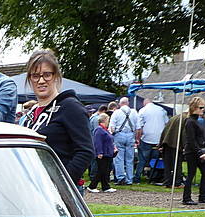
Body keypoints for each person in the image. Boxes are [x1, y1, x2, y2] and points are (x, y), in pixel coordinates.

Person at [17, 49, 93, 188]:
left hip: (59, 191)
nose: (41, 81)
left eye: (47, 75)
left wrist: (61, 183)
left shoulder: (70, 107)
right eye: (35, 76)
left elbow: (85, 151)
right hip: (33, 187)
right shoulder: (31, 113)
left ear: (56, 76)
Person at [182, 96, 205, 205]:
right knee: (191, 174)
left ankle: (203, 196)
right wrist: (199, 152)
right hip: (192, 152)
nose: (203, 110)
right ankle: (186, 198)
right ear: (195, 108)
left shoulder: (196, 121)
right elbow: (191, 140)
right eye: (201, 107)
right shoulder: (190, 122)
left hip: (198, 150)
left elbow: (199, 138)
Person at [133, 96, 168, 184]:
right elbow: (166, 124)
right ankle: (153, 177)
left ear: (144, 103)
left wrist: (138, 139)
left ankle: (137, 178)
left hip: (146, 138)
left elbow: (139, 128)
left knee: (142, 160)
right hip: (158, 139)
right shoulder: (161, 110)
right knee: (155, 160)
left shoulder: (143, 110)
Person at [108, 97, 139, 185]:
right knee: (130, 159)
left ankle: (121, 178)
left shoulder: (116, 112)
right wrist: (137, 139)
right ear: (128, 103)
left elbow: (112, 128)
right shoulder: (134, 112)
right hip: (130, 135)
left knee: (119, 158)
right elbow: (138, 128)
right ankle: (129, 179)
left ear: (120, 104)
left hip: (119, 135)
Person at [89, 114, 116, 193]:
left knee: (105, 170)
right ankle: (92, 186)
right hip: (103, 154)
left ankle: (105, 186)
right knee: (101, 170)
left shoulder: (105, 130)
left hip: (107, 153)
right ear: (104, 120)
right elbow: (98, 142)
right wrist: (99, 152)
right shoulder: (99, 130)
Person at [159, 109, 186, 187]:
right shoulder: (186, 119)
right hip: (176, 144)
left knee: (168, 165)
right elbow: (184, 134)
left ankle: (167, 182)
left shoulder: (174, 117)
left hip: (167, 142)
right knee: (177, 164)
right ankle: (177, 183)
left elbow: (165, 130)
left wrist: (160, 144)